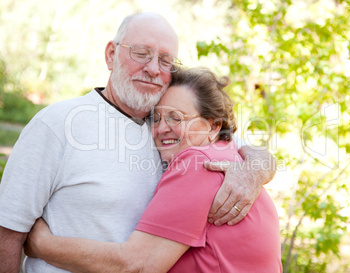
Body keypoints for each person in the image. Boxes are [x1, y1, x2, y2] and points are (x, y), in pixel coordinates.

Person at [0, 13, 276, 272]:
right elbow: (7, 232)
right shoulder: (57, 124)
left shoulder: (175, 129)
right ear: (111, 55)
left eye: (166, 61)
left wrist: (253, 172)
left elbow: (242, 147)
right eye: (141, 53)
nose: (153, 69)